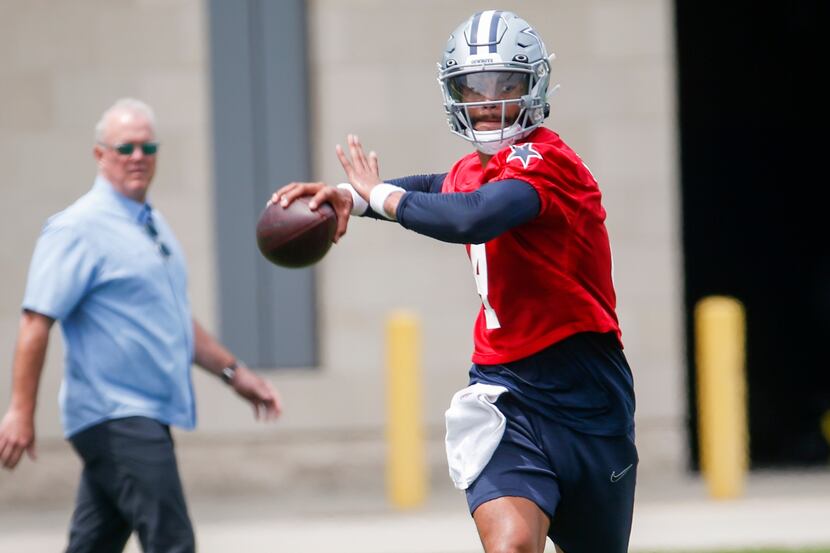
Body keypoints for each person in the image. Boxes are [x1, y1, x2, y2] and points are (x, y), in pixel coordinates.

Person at [272, 10, 637, 553]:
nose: (486, 100)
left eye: (504, 84)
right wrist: (345, 196)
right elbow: (438, 186)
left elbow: (473, 215)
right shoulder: (475, 169)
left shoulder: (548, 161)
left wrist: (380, 198)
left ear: (532, 86)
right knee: (511, 545)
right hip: (506, 393)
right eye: (473, 85)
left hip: (587, 393)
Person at [0, 98, 282, 553]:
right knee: (171, 542)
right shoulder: (77, 228)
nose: (138, 157)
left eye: (147, 147)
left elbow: (171, 321)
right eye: (125, 147)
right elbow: (35, 321)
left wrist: (235, 373)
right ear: (99, 154)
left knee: (94, 542)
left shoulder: (152, 225)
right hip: (117, 415)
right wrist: (19, 410)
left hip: (143, 414)